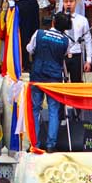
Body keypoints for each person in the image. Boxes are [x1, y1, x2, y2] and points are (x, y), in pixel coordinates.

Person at [26, 12, 72, 152]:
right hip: (54, 78)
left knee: (35, 109)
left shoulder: (39, 33)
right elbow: (66, 55)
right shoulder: (66, 41)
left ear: (53, 22)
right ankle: (51, 145)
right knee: (53, 110)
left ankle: (35, 143)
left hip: (37, 75)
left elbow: (30, 49)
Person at [61, 0, 92, 82]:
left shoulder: (82, 20)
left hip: (77, 55)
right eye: (66, 1)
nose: (68, 4)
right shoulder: (58, 19)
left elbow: (88, 40)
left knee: (77, 82)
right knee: (62, 83)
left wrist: (88, 60)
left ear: (75, 2)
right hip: (63, 55)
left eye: (71, 1)